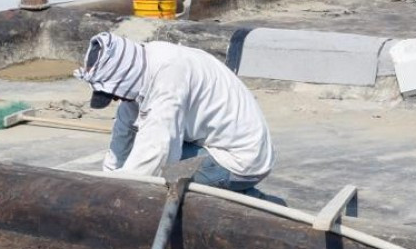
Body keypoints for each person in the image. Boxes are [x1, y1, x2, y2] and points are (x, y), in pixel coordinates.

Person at [74, 32, 275, 192]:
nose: (116, 99)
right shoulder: (140, 65)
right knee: (138, 158)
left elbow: (157, 150)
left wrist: (119, 194)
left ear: (125, 79)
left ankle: (256, 206)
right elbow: (124, 129)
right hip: (211, 145)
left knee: (162, 179)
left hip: (239, 162)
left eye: (115, 94)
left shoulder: (168, 78)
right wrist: (108, 177)